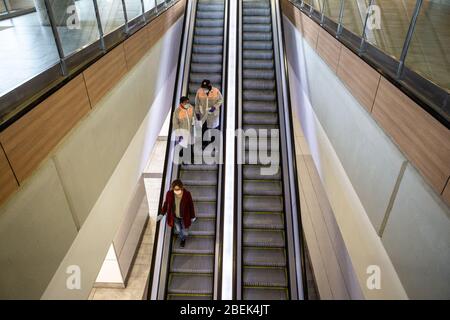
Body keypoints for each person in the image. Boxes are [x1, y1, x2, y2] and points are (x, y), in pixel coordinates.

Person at [157, 180, 196, 247]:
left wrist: (192, 216)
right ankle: (182, 239)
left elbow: (191, 205)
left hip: (185, 217)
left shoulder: (187, 194)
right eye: (175, 189)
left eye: (178, 189)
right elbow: (166, 204)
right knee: (178, 230)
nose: (176, 191)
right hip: (175, 217)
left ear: (182, 187)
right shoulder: (169, 194)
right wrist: (162, 214)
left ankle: (184, 235)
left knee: (185, 230)